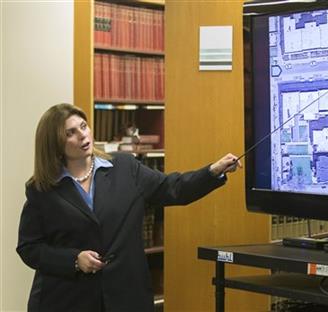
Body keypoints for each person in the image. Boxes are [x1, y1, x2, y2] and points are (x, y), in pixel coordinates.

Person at [16, 103, 241, 312]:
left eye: (83, 126)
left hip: (126, 297)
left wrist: (213, 171)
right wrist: (74, 260)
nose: (82, 134)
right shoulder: (42, 189)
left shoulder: (125, 168)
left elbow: (174, 188)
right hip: (66, 300)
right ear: (55, 143)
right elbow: (29, 248)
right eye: (70, 133)